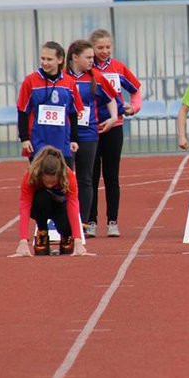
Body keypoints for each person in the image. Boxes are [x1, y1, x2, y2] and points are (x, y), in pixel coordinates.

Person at [88, 28, 142, 238]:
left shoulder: (118, 68)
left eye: (107, 47)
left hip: (115, 127)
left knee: (111, 176)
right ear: (92, 48)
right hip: (91, 128)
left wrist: (133, 108)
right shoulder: (87, 68)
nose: (104, 51)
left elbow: (135, 89)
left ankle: (113, 221)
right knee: (90, 177)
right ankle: (91, 222)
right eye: (100, 47)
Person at [66, 40, 119, 237]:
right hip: (65, 135)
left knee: (85, 178)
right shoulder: (63, 78)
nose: (92, 61)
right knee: (64, 177)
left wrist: (113, 118)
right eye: (88, 57)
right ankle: (65, 221)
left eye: (92, 57)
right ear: (75, 57)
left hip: (88, 134)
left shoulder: (95, 77)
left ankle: (84, 222)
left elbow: (111, 98)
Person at [10, 146, 93, 257]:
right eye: (46, 182)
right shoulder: (31, 176)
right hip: (41, 206)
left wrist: (78, 240)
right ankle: (42, 232)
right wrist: (23, 241)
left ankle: (66, 236)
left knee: (65, 226)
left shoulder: (68, 175)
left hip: (61, 205)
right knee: (42, 197)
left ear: (59, 175)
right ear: (40, 174)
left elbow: (73, 204)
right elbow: (25, 206)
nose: (49, 185)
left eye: (53, 182)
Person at [17, 41, 83, 168]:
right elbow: (22, 111)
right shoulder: (30, 81)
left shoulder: (69, 82)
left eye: (49, 59)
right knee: (40, 177)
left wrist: (74, 139)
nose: (45, 62)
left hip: (62, 141)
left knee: (64, 177)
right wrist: (24, 138)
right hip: (38, 141)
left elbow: (73, 112)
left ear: (60, 60)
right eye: (43, 59)